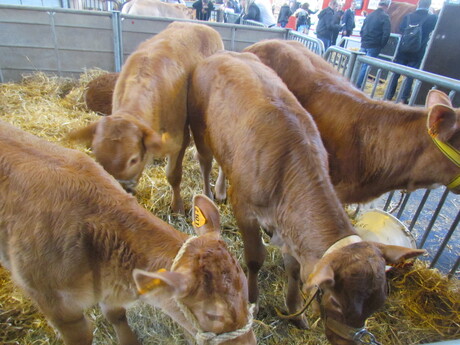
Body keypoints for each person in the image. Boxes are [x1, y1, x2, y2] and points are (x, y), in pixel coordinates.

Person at [386, 0, 438, 103]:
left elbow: (401, 28)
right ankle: (403, 98)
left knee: (396, 73)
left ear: (418, 4)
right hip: (417, 51)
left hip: (403, 49)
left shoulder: (409, 16)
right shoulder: (432, 18)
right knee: (410, 76)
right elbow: (434, 29)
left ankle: (389, 95)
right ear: (429, 5)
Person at [356, 0, 391, 88]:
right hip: (374, 45)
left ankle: (354, 83)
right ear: (386, 6)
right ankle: (357, 86)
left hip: (364, 43)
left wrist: (363, 40)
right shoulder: (385, 17)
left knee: (359, 64)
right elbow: (386, 34)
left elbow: (362, 30)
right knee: (366, 66)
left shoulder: (370, 15)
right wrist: (381, 45)